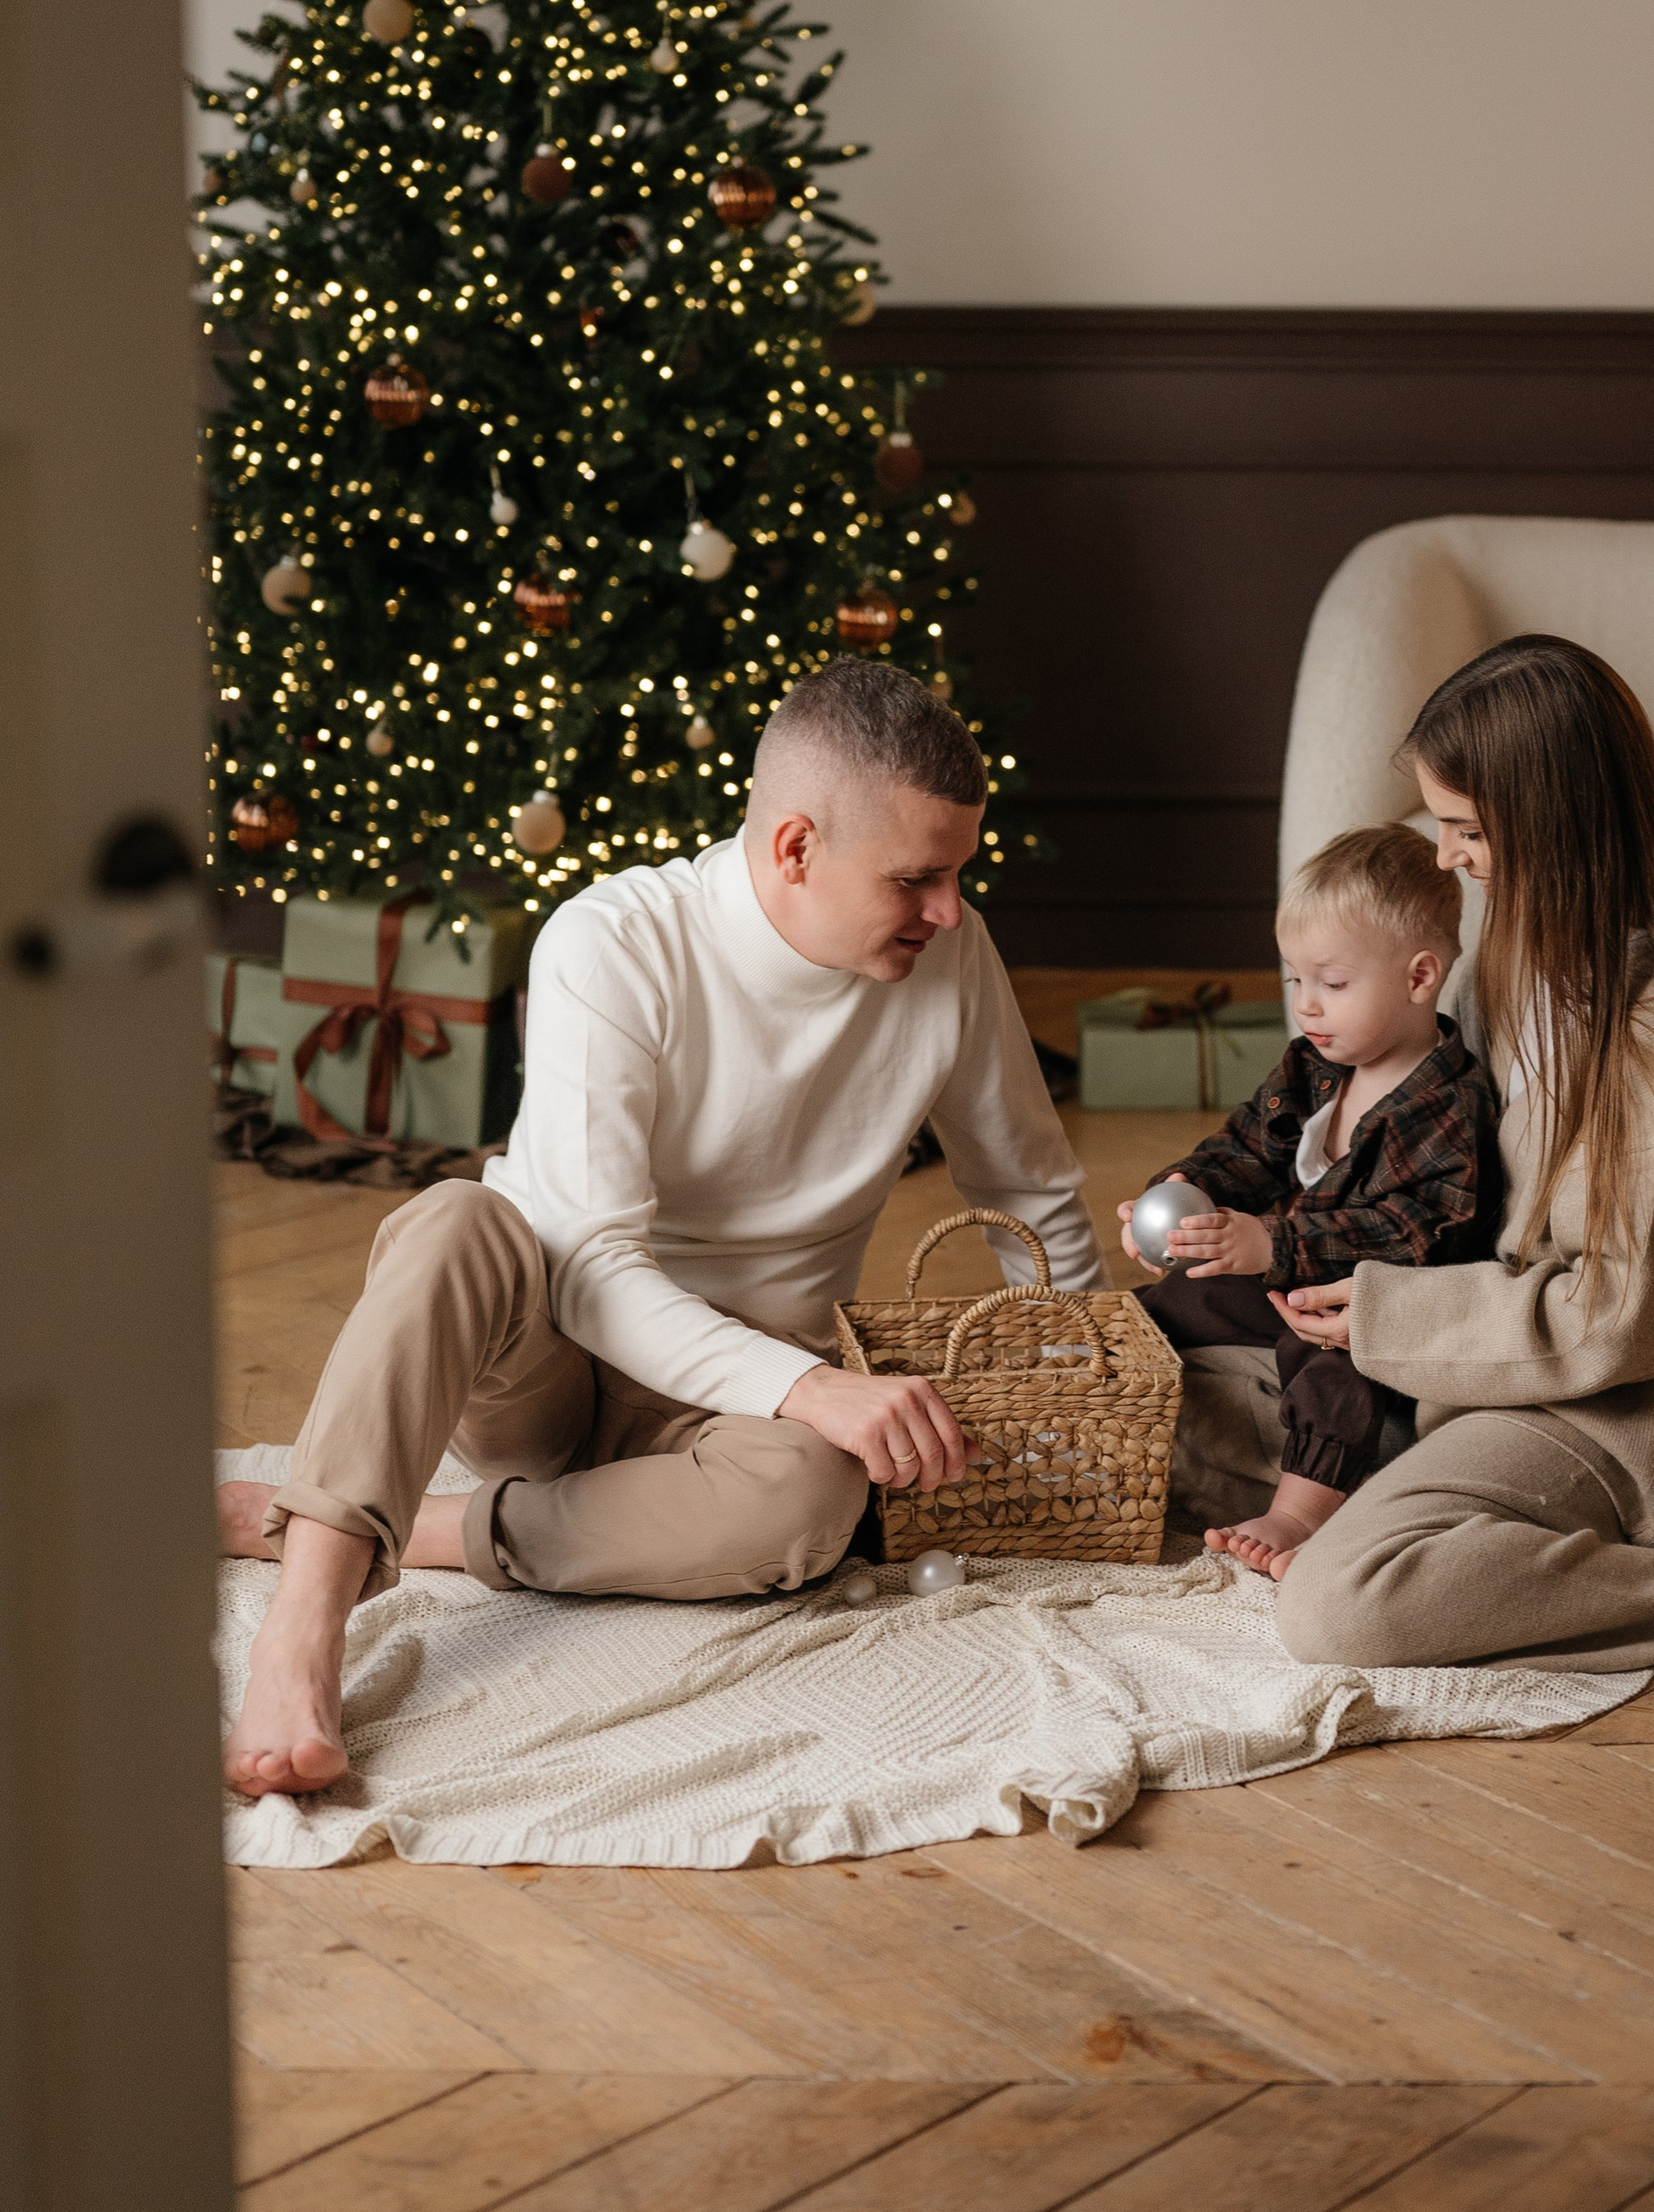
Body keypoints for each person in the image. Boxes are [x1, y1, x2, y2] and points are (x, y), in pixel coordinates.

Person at [220, 661, 1103, 1798]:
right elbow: (588, 1271)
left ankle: (431, 1526)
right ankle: (301, 1632)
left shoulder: (950, 953)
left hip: (724, 1416)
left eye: (958, 876)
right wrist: (810, 1387)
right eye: (917, 879)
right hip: (546, 1358)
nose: (947, 909)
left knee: (814, 1498)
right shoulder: (617, 942)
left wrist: (1083, 1373)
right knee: (454, 1221)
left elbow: (1028, 1187)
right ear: (794, 847)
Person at [1217, 632, 1654, 1673]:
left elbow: (1632, 1311)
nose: (1445, 854)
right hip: (1473, 1365)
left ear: (1550, 820)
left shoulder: (1650, 1019)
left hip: (1605, 1409)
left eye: (1464, 828)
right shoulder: (1502, 961)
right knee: (1197, 1420)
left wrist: (1388, 1315)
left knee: (1341, 1606)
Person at [1120, 823, 1501, 1576]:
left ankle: (1298, 1511)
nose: (1307, 1006)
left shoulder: (1449, 1107)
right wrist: (1181, 1192)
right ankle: (1087, 1392)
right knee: (1172, 1295)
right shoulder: (1313, 1068)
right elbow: (1247, 1148)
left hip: (1367, 1308)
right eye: (1296, 980)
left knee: (1335, 1373)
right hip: (1284, 1274)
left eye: (1331, 983)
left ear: (1419, 978)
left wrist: (1274, 1245)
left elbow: (1421, 1232)